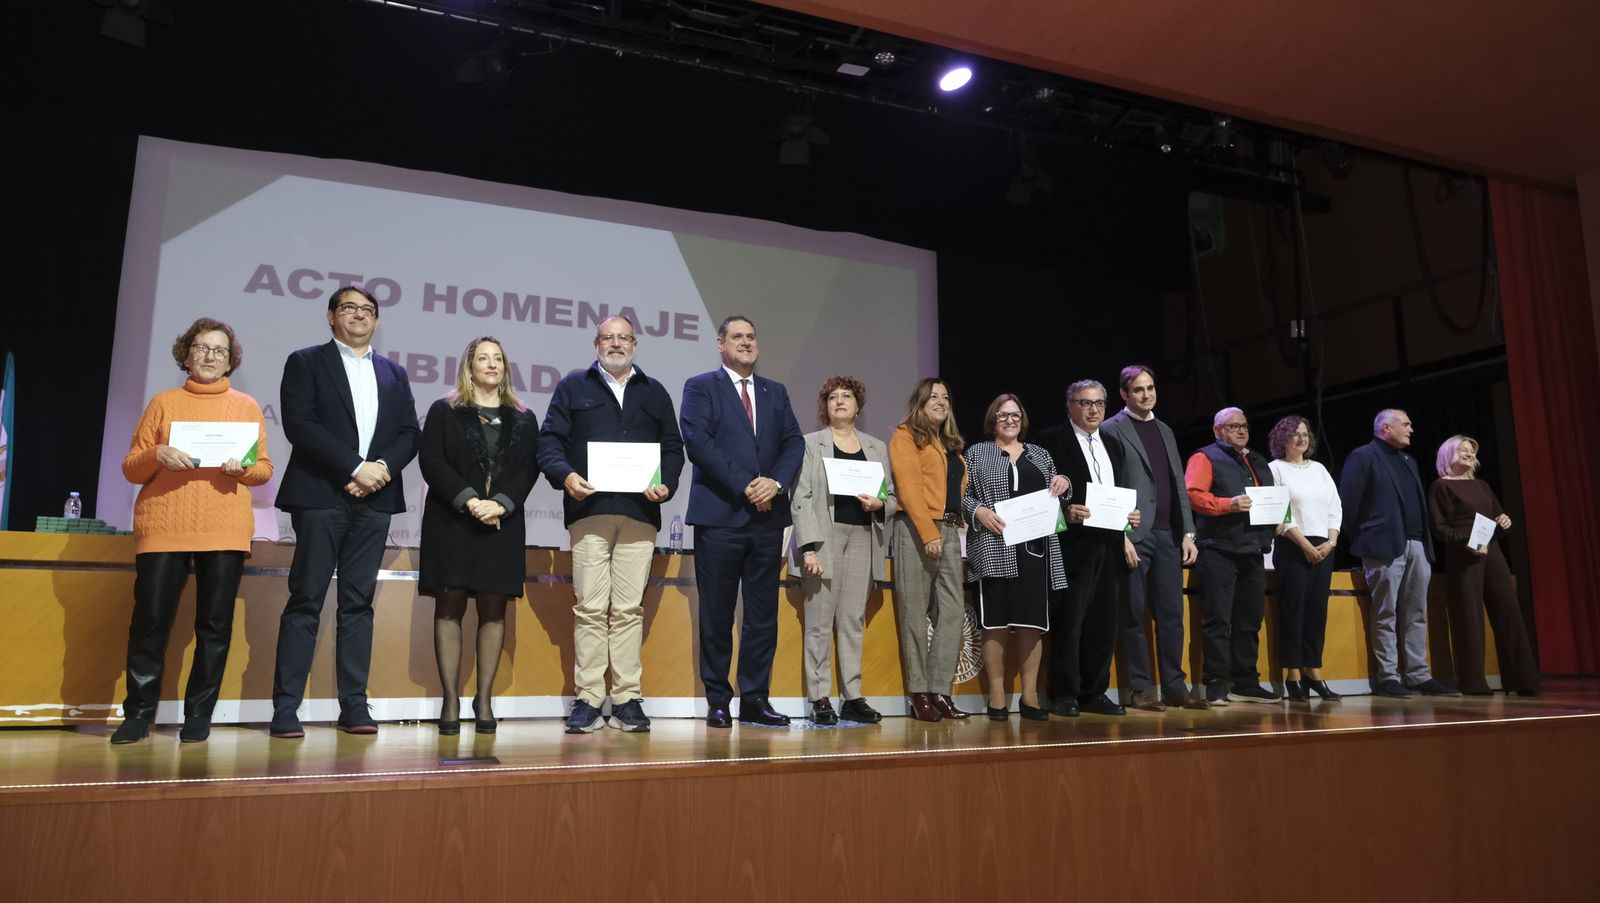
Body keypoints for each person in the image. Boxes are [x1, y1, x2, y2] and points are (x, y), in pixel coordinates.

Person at [110, 318, 272, 744]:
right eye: (201, 348)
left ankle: (199, 714)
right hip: (164, 526)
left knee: (215, 626)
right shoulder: (163, 403)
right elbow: (131, 467)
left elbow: (264, 470)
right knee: (149, 623)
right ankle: (138, 713)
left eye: (219, 351)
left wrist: (246, 468)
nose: (210, 356)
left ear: (230, 361)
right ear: (186, 354)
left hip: (224, 528)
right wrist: (157, 453)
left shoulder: (247, 407)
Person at [270, 286, 420, 738]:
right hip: (320, 496)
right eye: (349, 308)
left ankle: (354, 705)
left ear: (376, 321)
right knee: (306, 601)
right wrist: (355, 467)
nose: (358, 315)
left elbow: (410, 433)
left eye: (367, 310)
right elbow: (301, 425)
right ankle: (285, 708)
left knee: (358, 605)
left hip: (374, 502)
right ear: (331, 316)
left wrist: (380, 469)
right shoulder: (305, 362)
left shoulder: (393, 372)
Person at [539, 316, 685, 733]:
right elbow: (549, 441)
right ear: (596, 343)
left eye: (623, 338)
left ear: (635, 345)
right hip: (589, 513)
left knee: (626, 610)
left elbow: (673, 448)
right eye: (608, 338)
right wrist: (566, 475)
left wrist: (667, 483)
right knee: (589, 608)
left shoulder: (654, 392)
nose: (615, 344)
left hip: (640, 516)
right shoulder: (573, 386)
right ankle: (587, 698)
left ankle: (625, 699)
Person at [680, 315, 805, 728]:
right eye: (737, 336)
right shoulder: (700, 387)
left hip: (767, 520)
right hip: (720, 517)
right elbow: (699, 442)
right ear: (721, 344)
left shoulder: (776, 391)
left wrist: (777, 482)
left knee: (762, 616)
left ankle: (755, 699)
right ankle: (718, 699)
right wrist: (747, 483)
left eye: (752, 336)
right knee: (716, 614)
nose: (746, 342)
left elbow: (793, 443)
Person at [417, 336, 540, 735]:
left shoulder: (524, 417)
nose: (491, 364)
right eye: (483, 358)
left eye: (498, 358)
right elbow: (431, 461)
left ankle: (483, 698)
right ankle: (451, 698)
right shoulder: (445, 410)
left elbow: (528, 470)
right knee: (449, 605)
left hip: (501, 524)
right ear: (469, 367)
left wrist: (501, 502)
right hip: (453, 521)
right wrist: (471, 501)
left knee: (493, 608)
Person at [1099, 366, 1207, 710]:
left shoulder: (1164, 430)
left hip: (1168, 535)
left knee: (1172, 615)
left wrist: (1188, 531)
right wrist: (1120, 535)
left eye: (1150, 388)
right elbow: (1108, 486)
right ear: (1124, 394)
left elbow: (1177, 482)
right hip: (1135, 533)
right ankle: (1141, 688)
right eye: (1138, 390)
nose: (1146, 395)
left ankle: (1176, 686)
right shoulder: (1111, 429)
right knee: (1133, 613)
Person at [788, 375, 893, 725]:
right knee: (818, 623)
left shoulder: (877, 447)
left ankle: (852, 696)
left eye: (846, 396)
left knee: (852, 622)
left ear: (857, 405)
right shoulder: (810, 444)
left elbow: (892, 498)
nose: (840, 401)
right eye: (833, 396)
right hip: (824, 537)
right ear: (825, 407)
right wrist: (809, 547)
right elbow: (800, 497)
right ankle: (820, 698)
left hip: (864, 537)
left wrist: (880, 503)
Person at [963, 394, 1070, 720]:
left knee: (1031, 625)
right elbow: (961, 495)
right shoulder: (976, 454)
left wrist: (1065, 483)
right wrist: (978, 510)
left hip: (1034, 551)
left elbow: (1061, 500)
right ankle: (997, 698)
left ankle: (1029, 698)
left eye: (1015, 415)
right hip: (994, 548)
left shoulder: (1040, 455)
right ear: (992, 419)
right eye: (1002, 415)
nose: (1009, 420)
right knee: (994, 624)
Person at [1037, 380, 1139, 717]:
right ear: (1070, 406)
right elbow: (1039, 495)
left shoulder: (1113, 442)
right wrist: (1064, 512)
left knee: (1104, 621)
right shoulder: (1051, 441)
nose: (1093, 409)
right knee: (1070, 619)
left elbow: (1119, 489)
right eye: (1085, 403)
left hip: (1109, 540)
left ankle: (1095, 691)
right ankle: (1064, 692)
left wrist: (1129, 518)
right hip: (1072, 542)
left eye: (1099, 403)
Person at [1339, 409, 1458, 698]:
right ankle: (1388, 676)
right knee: (1386, 612)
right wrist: (1365, 537)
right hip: (1382, 546)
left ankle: (1418, 675)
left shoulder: (1409, 461)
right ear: (1385, 428)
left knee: (1416, 613)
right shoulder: (1363, 456)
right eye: (1405, 424)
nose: (1411, 429)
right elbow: (1349, 504)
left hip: (1416, 544)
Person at [1428, 435, 1541, 696]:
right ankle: (1473, 682)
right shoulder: (1441, 487)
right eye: (1463, 450)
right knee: (1469, 616)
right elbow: (1440, 528)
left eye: (1471, 451)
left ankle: (1522, 679)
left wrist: (1503, 521)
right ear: (1449, 455)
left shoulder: (1482, 485)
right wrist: (1465, 541)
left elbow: (1497, 517)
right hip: (1462, 555)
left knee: (1508, 610)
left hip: (1491, 552)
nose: (1469, 454)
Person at [888, 378, 970, 723]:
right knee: (914, 614)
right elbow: (908, 488)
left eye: (945, 397)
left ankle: (940, 691)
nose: (940, 401)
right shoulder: (905, 435)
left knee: (952, 613)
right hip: (918, 529)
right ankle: (919, 693)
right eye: (933, 396)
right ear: (919, 402)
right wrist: (927, 533)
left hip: (950, 530)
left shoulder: (950, 443)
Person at [1185, 407, 1278, 705]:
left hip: (1253, 551)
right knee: (1218, 620)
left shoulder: (1258, 459)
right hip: (1219, 549)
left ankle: (1246, 681)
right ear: (1217, 430)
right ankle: (1215, 684)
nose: (1240, 430)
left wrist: (1277, 516)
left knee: (1250, 619)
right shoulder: (1205, 456)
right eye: (1232, 426)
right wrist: (1229, 504)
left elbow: (1271, 498)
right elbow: (1192, 494)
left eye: (1244, 426)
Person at [1266, 416, 1342, 702]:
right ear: (1282, 439)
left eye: (1305, 434)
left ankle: (1314, 672)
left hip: (1323, 547)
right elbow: (1279, 514)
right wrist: (1306, 547)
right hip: (1293, 546)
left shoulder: (1320, 469)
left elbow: (1335, 509)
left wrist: (1330, 543)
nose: (1301, 439)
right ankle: (1293, 675)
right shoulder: (1275, 469)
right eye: (1294, 434)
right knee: (1293, 611)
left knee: (1316, 612)